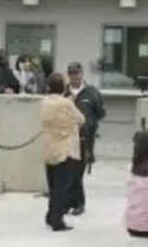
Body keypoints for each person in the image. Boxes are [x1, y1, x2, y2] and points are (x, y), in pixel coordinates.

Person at [40, 72, 85, 231]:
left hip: (49, 148)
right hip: (65, 149)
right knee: (62, 188)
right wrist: (70, 102)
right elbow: (81, 119)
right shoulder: (66, 104)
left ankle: (51, 215)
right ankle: (57, 220)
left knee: (53, 187)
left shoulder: (44, 102)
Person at [65, 61, 105, 214]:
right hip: (66, 136)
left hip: (84, 138)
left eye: (76, 73)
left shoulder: (92, 93)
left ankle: (79, 203)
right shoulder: (64, 92)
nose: (74, 77)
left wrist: (91, 125)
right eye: (71, 74)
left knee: (78, 170)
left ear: (82, 74)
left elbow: (100, 113)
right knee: (68, 170)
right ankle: (69, 202)